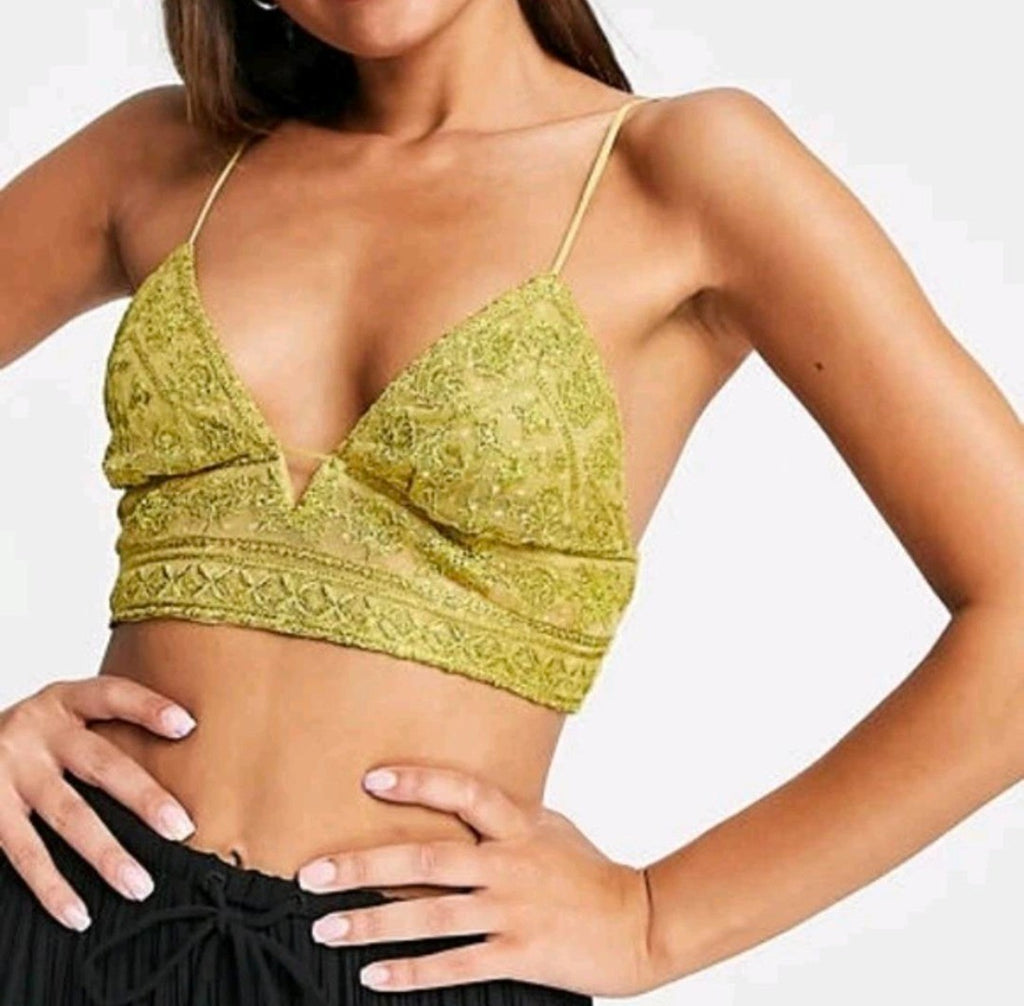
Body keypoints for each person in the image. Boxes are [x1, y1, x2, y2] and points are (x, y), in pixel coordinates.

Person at [1, 0, 1022, 1003]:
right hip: (55, 912)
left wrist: (653, 919)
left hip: (424, 967)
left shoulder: (684, 170)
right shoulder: (166, 156)